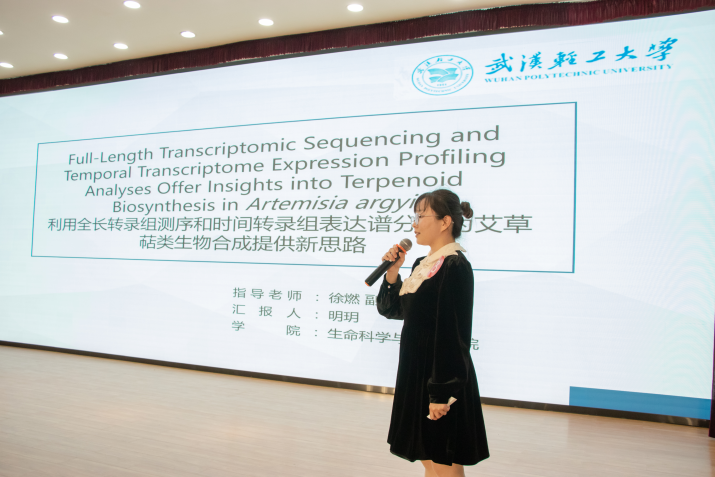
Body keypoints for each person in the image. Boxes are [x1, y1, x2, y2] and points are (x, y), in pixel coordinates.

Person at [376, 189, 489, 477]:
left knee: (444, 460)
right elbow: (393, 309)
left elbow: (453, 334)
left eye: (420, 216)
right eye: (414, 217)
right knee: (429, 457)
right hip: (416, 372)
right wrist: (393, 272)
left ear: (445, 222)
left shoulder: (455, 265)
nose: (414, 224)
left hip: (439, 375)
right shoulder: (421, 264)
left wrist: (441, 392)